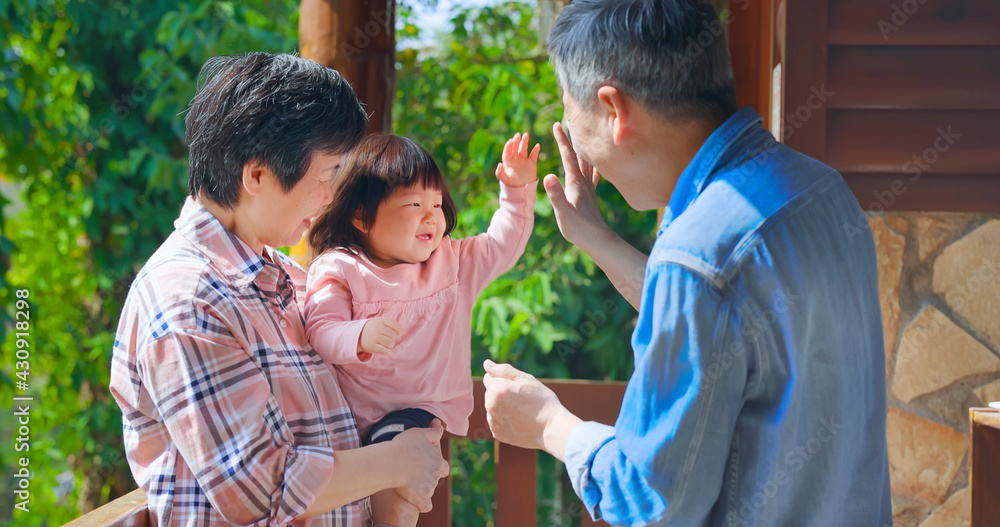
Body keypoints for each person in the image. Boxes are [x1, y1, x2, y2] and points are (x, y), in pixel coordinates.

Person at [482, 1, 892, 525]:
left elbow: (651, 502)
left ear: (614, 110)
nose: (575, 142)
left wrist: (548, 424)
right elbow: (731, 320)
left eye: (569, 112)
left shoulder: (698, 255)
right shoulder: (821, 190)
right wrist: (598, 239)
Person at [109, 53, 449, 526]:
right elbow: (261, 487)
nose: (331, 196)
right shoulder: (189, 301)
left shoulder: (284, 274)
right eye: (327, 175)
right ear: (257, 175)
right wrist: (401, 460)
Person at [303, 132, 539, 526]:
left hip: (416, 417)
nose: (431, 216)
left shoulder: (453, 262)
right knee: (385, 485)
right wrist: (356, 336)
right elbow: (321, 328)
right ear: (361, 216)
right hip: (347, 418)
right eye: (414, 204)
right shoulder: (341, 267)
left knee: (402, 497)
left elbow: (503, 245)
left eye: (436, 203)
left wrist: (516, 191)